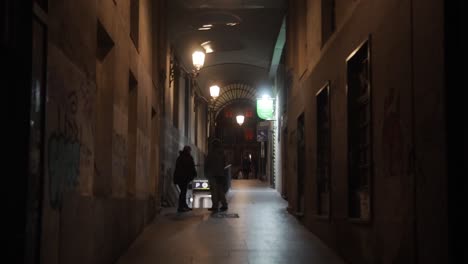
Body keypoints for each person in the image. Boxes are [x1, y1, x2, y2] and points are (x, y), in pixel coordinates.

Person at [204, 138, 228, 212]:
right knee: (221, 190)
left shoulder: (211, 153)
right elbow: (224, 164)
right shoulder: (222, 153)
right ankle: (224, 205)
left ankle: (215, 206)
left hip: (212, 174)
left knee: (214, 191)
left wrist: (205, 172)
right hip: (220, 174)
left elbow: (206, 164)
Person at [173, 146, 197, 212]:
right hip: (184, 178)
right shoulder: (188, 158)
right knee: (183, 192)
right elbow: (191, 167)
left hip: (180, 178)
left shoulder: (180, 157)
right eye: (189, 150)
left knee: (183, 192)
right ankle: (181, 207)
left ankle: (184, 205)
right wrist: (194, 174)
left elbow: (177, 169)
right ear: (188, 151)